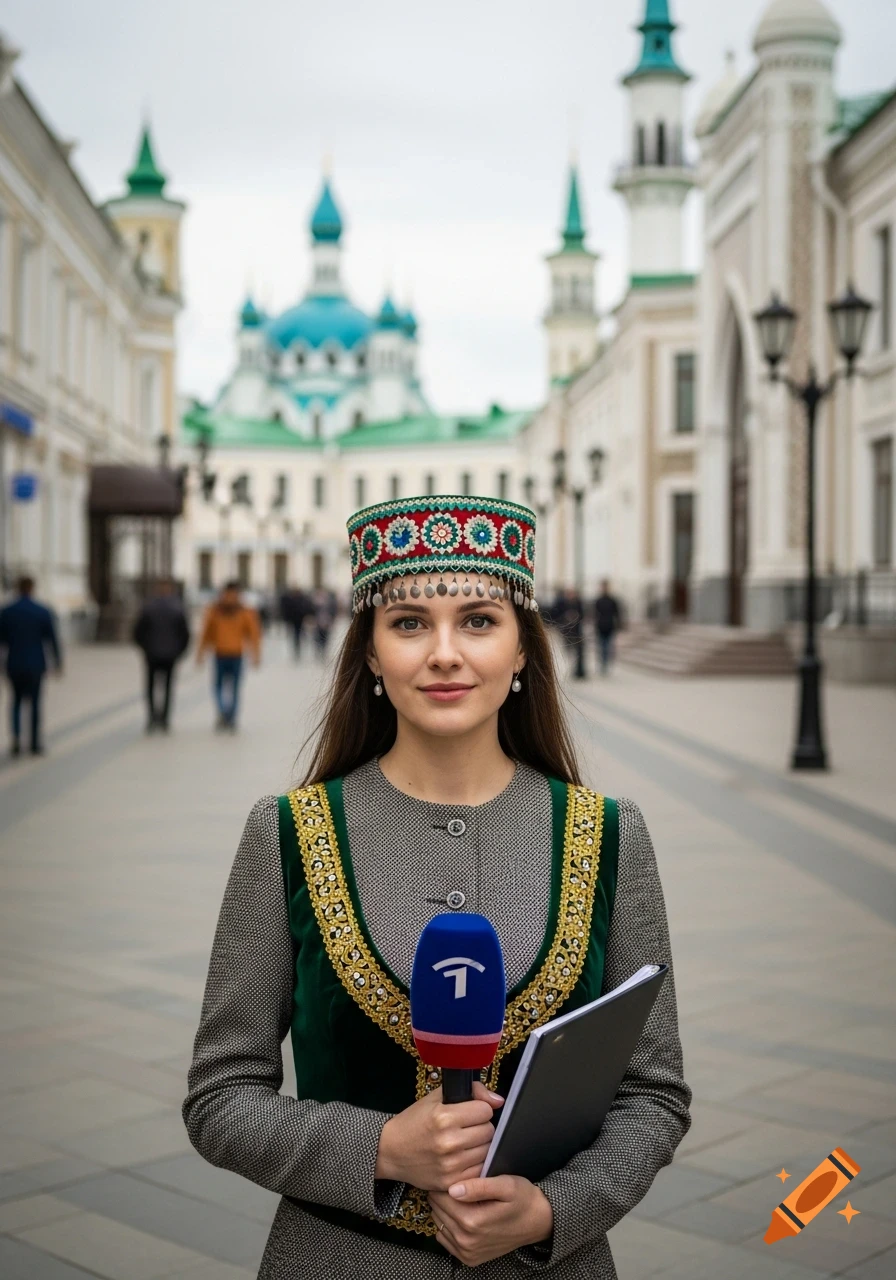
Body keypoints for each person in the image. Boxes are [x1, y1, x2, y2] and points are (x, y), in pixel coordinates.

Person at [183, 495, 691, 1279]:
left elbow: (653, 1093)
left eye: (480, 621)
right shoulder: (285, 832)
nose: (444, 653)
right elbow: (220, 1097)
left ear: (523, 650)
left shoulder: (610, 832)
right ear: (371, 656)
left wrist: (555, 1211)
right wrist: (379, 1149)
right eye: (410, 622)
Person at [0, 576, 62, 756]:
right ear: (32, 588)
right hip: (36, 664)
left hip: (14, 663)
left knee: (16, 702)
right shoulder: (42, 611)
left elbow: (1, 639)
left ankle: (17, 741)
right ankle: (35, 742)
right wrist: (57, 662)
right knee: (35, 703)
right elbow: (52, 639)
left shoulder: (7, 611)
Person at [196, 581, 261, 731]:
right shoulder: (243, 610)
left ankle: (224, 712)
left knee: (219, 686)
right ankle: (230, 716)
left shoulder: (216, 610)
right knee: (234, 688)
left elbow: (206, 634)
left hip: (222, 653)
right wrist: (255, 654)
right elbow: (253, 634)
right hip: (234, 653)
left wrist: (201, 653)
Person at [133, 579, 191, 732]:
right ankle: (164, 719)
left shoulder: (148, 607)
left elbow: (137, 632)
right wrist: (180, 651)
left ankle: (152, 717)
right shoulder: (178, 608)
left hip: (152, 654)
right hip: (170, 655)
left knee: (151, 687)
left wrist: (145, 648)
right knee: (168, 687)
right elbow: (185, 634)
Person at [593, 580, 623, 676]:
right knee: (602, 646)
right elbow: (595, 614)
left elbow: (617, 613)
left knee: (608, 646)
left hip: (609, 626)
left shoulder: (612, 600)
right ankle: (602, 663)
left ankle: (606, 663)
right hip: (601, 626)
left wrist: (619, 624)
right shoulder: (598, 600)